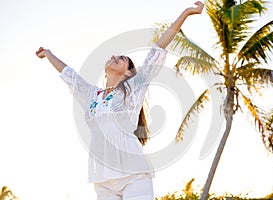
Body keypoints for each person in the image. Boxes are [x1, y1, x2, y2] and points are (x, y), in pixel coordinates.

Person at [35, 2, 204, 200]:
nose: (114, 56)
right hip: (102, 178)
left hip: (134, 175)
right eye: (115, 56)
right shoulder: (91, 95)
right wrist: (49, 54)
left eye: (122, 58)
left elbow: (158, 48)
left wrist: (186, 13)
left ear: (129, 72)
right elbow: (69, 74)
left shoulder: (134, 89)